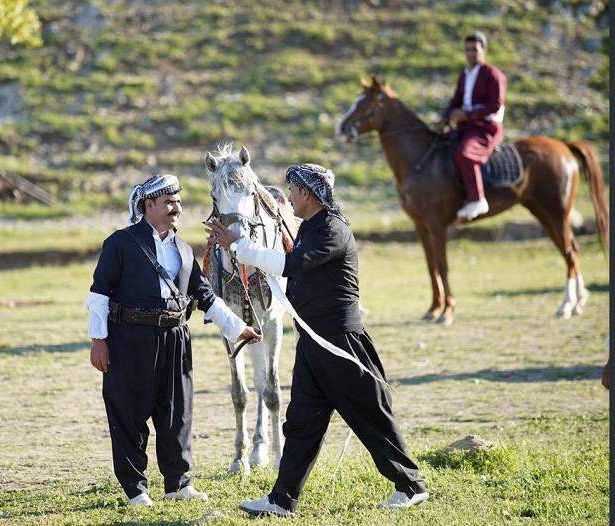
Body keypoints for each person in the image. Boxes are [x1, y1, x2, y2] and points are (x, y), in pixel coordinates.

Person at [206, 164, 428, 516]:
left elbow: (291, 264)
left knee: (371, 414)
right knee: (301, 423)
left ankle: (411, 485)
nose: (288, 198)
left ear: (307, 194)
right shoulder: (310, 227)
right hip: (313, 343)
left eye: (292, 192)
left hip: (340, 341)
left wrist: (240, 246)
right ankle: (282, 500)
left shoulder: (332, 230)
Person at [86, 174, 262, 507]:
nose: (176, 208)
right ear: (148, 205)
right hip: (130, 340)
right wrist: (99, 340)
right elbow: (99, 294)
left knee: (177, 414)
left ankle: (178, 484)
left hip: (176, 338)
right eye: (168, 202)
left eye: (178, 202)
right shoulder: (120, 243)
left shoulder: (183, 248)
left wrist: (238, 328)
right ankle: (136, 489)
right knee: (129, 413)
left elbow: (205, 295)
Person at [438, 31, 507, 221]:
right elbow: (456, 100)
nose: (470, 53)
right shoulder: (465, 75)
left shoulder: (493, 75)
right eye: (467, 50)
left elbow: (496, 104)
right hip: (466, 126)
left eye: (474, 50)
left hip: (486, 128)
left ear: (484, 50)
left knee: (465, 154)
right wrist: (445, 117)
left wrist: (467, 115)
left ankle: (478, 199)